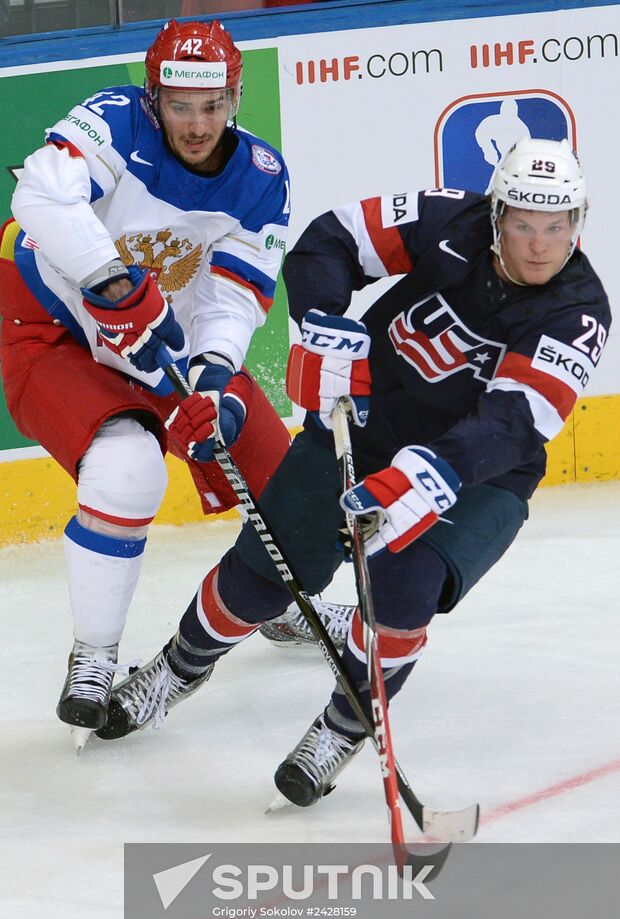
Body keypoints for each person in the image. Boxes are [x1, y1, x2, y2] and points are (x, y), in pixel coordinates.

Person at [95, 138, 610, 812]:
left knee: (401, 589)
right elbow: (327, 241)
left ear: (579, 221)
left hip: (479, 476)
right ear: (496, 218)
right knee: (262, 575)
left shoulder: (578, 312)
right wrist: (324, 323)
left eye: (557, 225)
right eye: (522, 224)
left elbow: (512, 422)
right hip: (364, 424)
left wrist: (429, 475)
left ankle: (340, 730)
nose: (540, 244)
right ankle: (178, 667)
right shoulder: (448, 218)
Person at [0, 18, 305, 740]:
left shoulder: (262, 178)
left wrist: (212, 375)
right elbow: (39, 197)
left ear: (234, 97)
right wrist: (110, 279)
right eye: (178, 106)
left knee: (290, 493)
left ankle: (282, 603)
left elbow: (232, 296)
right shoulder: (113, 122)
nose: (196, 125)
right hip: (51, 327)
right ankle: (95, 654)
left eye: (212, 106)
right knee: (127, 465)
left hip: (153, 337)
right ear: (152, 99)